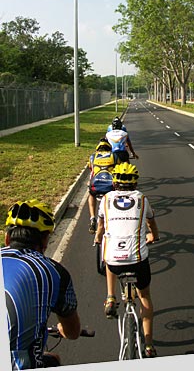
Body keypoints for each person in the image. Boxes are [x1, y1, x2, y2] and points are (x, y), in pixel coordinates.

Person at [1, 199, 81, 370]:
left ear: (7, 238)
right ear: (45, 242)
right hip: (17, 362)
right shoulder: (55, 271)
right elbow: (73, 331)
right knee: (52, 359)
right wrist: (63, 330)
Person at [94, 162, 159, 358]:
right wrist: (153, 237)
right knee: (145, 297)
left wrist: (98, 237)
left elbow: (101, 226)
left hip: (114, 260)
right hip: (138, 260)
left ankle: (110, 297)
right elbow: (151, 224)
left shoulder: (105, 199)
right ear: (135, 183)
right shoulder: (142, 199)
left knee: (108, 248)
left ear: (114, 183)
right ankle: (148, 346)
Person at [87, 137, 118, 234]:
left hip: (96, 186)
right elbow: (119, 168)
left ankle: (92, 218)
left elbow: (90, 168)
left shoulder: (93, 156)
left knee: (91, 194)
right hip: (110, 187)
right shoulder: (114, 156)